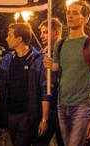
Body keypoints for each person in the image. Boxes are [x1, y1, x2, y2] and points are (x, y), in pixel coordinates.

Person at [0, 23, 49, 146]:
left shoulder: (38, 60)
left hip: (28, 115)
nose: (6, 38)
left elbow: (45, 90)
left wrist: (44, 119)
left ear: (19, 39)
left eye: (10, 35)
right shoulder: (8, 59)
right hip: (10, 115)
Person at [44, 0, 90, 146]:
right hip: (62, 104)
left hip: (83, 106)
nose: (70, 16)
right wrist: (49, 64)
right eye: (68, 13)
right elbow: (57, 69)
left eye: (75, 13)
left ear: (85, 18)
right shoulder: (60, 44)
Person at [34, 18, 64, 146]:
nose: (41, 35)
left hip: (64, 106)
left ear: (56, 33)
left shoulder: (66, 51)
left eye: (45, 32)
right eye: (41, 32)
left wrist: (56, 68)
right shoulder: (42, 54)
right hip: (46, 106)